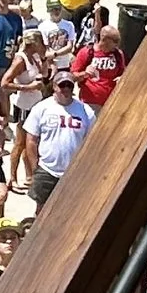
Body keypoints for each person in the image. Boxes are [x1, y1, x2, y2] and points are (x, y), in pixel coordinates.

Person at [18, 72, 94, 207]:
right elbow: (31, 140)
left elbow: (91, 142)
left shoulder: (86, 111)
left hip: (73, 171)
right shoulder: (41, 108)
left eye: (69, 85)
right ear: (54, 86)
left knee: (71, 208)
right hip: (46, 169)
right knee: (41, 209)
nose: (66, 88)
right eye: (62, 85)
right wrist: (35, 167)